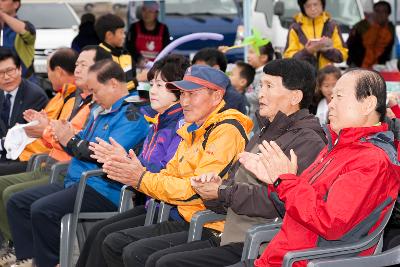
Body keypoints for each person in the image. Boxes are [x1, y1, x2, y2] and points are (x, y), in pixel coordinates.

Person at [149, 58, 327, 267]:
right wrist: (213, 189)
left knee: (164, 263)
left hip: (261, 245)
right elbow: (233, 184)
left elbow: (279, 202)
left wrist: (222, 192)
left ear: (295, 96)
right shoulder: (266, 131)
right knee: (154, 259)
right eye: (261, 85)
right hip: (233, 233)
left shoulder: (308, 141)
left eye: (269, 86)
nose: (260, 93)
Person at [235, 69, 400, 267]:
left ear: (368, 104)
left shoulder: (371, 159)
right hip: (277, 256)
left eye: (339, 96)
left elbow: (331, 222)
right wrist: (276, 181)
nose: (330, 104)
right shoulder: (336, 147)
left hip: (301, 261)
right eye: (331, 97)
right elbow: (296, 206)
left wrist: (285, 180)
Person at [99, 65, 253, 267]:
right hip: (185, 216)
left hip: (209, 223)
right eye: (181, 94)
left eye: (192, 94)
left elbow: (194, 189)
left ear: (216, 96)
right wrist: (137, 173)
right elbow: (169, 175)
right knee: (114, 242)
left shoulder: (226, 131)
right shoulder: (194, 129)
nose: (184, 102)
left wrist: (140, 178)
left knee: (135, 252)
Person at [6, 60, 149, 267]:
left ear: (113, 84)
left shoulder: (131, 116)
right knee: (18, 201)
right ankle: (29, 258)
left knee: (43, 210)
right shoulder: (98, 111)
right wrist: (59, 131)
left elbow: (100, 154)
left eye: (96, 91)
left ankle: (50, 263)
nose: (94, 97)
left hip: (104, 189)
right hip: (77, 181)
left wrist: (69, 139)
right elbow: (80, 140)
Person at [0, 46, 113, 266]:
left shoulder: (108, 109)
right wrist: (49, 128)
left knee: (25, 201)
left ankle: (30, 255)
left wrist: (46, 129)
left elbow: (78, 142)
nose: (77, 69)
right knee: (18, 197)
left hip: (76, 174)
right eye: (77, 64)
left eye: (82, 65)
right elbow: (68, 135)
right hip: (61, 167)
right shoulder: (80, 100)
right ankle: (23, 251)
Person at [75, 54, 189, 267]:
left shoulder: (180, 125)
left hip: (171, 211)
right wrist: (124, 161)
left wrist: (129, 164)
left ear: (179, 90)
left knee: (108, 239)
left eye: (161, 85)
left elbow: (168, 172)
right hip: (151, 204)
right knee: (99, 232)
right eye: (152, 83)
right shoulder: (158, 122)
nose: (152, 90)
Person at [0, 47, 48, 161]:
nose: (6, 77)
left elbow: (25, 137)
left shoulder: (35, 96)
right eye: (0, 73)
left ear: (20, 69)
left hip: (21, 157)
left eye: (10, 70)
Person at [283, 0, 348, 69]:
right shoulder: (296, 28)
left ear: (322, 5)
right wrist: (307, 51)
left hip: (326, 76)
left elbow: (342, 56)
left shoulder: (331, 26)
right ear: (303, 7)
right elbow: (288, 58)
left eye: (315, 4)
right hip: (303, 76)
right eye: (308, 6)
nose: (313, 8)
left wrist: (327, 50)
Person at [192, 48, 248, 114]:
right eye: (194, 70)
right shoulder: (196, 90)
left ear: (216, 69)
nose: (195, 74)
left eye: (200, 70)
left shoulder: (232, 98)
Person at [347, 1, 394, 69]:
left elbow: (381, 50)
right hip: (358, 66)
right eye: (377, 11)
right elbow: (351, 45)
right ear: (373, 12)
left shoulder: (390, 29)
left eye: (384, 11)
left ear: (388, 14)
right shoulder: (362, 26)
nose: (380, 14)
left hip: (378, 67)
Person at [95, 13, 136, 91]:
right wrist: (137, 81)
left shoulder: (125, 54)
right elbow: (112, 89)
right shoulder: (100, 56)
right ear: (109, 35)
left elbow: (132, 76)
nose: (124, 36)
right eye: (121, 32)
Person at [126, 1, 170, 65]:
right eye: (144, 10)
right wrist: (139, 59)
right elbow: (129, 47)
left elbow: (166, 49)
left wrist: (158, 62)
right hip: (137, 67)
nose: (146, 14)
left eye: (150, 11)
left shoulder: (163, 29)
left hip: (157, 67)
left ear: (156, 14)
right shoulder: (134, 27)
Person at [0, 0, 35, 78]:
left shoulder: (26, 26)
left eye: (3, 0)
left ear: (16, 4)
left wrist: (2, 14)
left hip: (23, 82)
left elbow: (25, 32)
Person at [245, 42, 274, 131]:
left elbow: (258, 96)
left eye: (251, 52)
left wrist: (241, 95)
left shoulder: (264, 74)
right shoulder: (256, 73)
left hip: (260, 116)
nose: (248, 55)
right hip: (255, 114)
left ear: (263, 57)